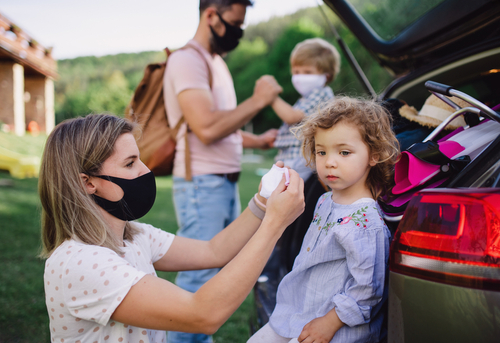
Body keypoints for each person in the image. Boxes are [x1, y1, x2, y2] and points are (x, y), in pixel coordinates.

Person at [39, 114, 304, 343]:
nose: (145, 170)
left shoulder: (133, 235)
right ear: (87, 183)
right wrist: (274, 225)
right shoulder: (80, 262)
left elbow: (214, 251)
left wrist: (262, 203)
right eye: (130, 163)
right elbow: (202, 314)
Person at [163, 2, 282, 340]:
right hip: (202, 183)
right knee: (197, 278)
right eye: (235, 23)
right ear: (211, 15)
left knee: (213, 273)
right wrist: (258, 100)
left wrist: (257, 140)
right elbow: (206, 127)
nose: (238, 33)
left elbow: (223, 124)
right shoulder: (187, 60)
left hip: (221, 183)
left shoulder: (216, 62)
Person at [247, 97, 400, 343]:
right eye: (321, 151)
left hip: (335, 328)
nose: (329, 161)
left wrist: (330, 322)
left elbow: (368, 289)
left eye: (344, 152)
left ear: (374, 155)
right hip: (299, 311)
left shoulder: (365, 221)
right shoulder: (325, 200)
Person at [272, 37, 340, 181]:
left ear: (326, 76)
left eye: (307, 72)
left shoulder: (320, 94)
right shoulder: (307, 97)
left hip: (298, 158)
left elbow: (292, 117)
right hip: (290, 156)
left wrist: (271, 97)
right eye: (296, 72)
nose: (300, 77)